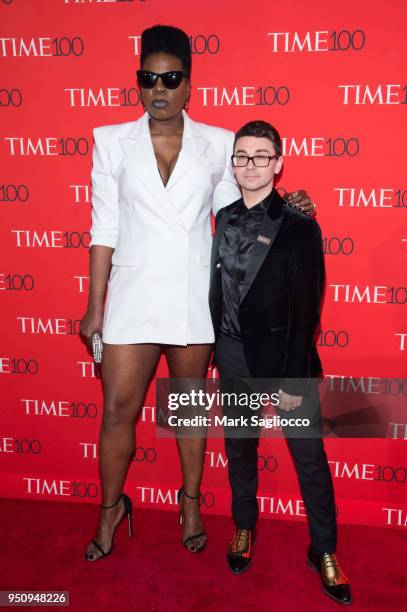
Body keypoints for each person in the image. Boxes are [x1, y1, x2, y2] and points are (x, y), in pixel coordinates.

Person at [80, 25, 314, 562]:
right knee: (118, 410)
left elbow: (240, 210)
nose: (158, 88)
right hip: (132, 296)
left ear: (188, 83)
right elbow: (104, 227)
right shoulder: (111, 140)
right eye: (148, 78)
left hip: (192, 296)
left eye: (170, 78)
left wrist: (287, 206)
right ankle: (111, 509)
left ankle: (189, 507)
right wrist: (95, 307)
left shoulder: (215, 142)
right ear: (137, 82)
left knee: (185, 410)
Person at [209, 120, 351, 605]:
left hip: (285, 360)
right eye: (242, 156)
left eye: (261, 156)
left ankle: (326, 550)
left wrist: (292, 378)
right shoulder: (224, 217)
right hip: (231, 353)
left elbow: (308, 311)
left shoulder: (300, 226)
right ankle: (244, 526)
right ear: (233, 163)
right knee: (240, 446)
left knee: (309, 458)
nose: (251, 165)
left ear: (279, 162)